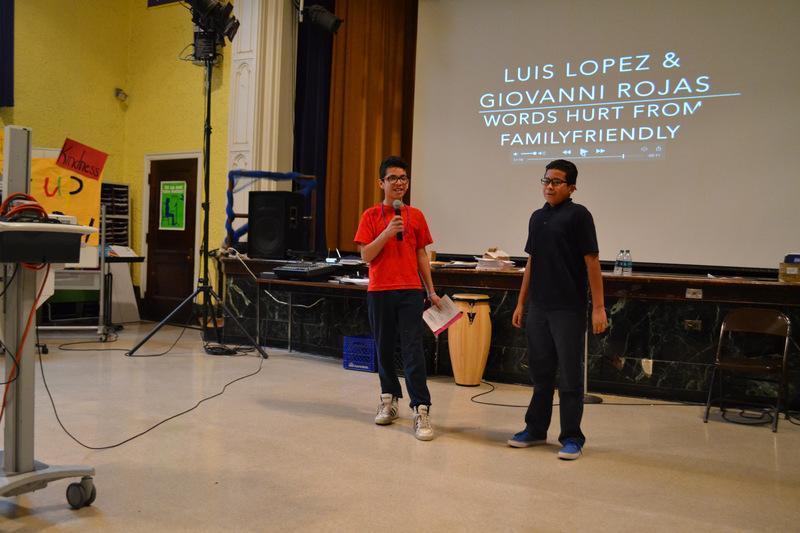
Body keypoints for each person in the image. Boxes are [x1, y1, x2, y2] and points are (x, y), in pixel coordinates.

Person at [508, 159, 608, 460]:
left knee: (570, 375)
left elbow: (592, 262)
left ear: (572, 187)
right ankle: (535, 429)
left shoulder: (579, 216)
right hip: (539, 306)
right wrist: (521, 302)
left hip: (568, 308)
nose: (549, 186)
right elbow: (532, 262)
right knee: (541, 372)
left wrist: (599, 307)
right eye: (546, 180)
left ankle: (572, 437)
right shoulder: (537, 217)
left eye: (556, 182)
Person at [354, 155, 441, 441]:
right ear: (381, 183)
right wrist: (387, 232)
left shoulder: (416, 215)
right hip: (380, 290)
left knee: (413, 349)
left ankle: (421, 408)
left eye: (403, 178)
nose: (399, 183)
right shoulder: (370, 216)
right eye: (393, 178)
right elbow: (366, 255)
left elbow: (421, 255)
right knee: (384, 347)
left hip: (410, 290)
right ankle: (388, 399)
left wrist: (431, 291)